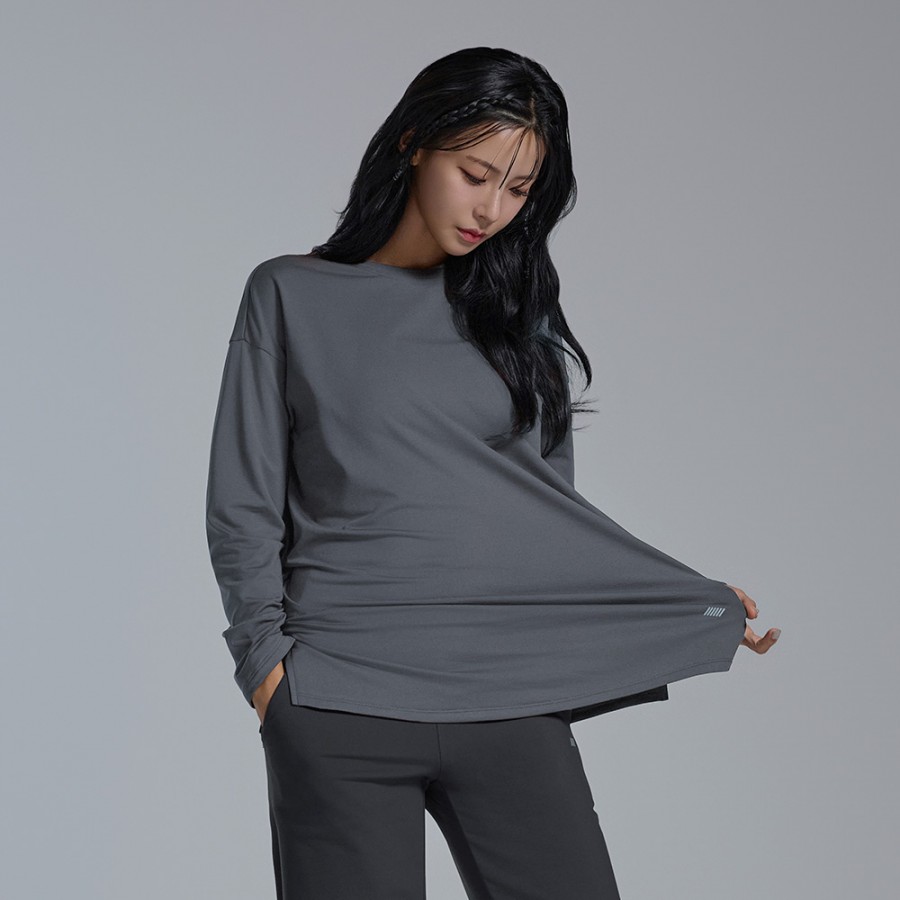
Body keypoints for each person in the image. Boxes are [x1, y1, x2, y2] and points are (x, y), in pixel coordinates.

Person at [205, 46, 780, 900]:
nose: (492, 209)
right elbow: (244, 501)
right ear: (413, 144)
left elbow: (544, 519)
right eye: (476, 175)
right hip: (338, 699)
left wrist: (683, 599)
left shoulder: (519, 316)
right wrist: (266, 670)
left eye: (518, 190)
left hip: (512, 699)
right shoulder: (290, 294)